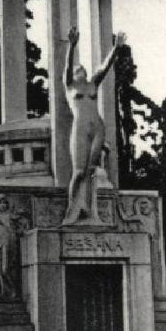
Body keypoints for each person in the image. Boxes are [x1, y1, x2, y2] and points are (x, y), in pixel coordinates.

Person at [63, 27, 122, 223]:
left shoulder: (92, 84)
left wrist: (115, 49)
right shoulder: (71, 85)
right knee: (79, 171)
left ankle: (89, 211)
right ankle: (71, 211)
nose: (83, 70)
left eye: (84, 69)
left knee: (91, 171)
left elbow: (104, 68)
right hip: (80, 128)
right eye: (79, 69)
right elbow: (68, 67)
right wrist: (72, 46)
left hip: (97, 127)